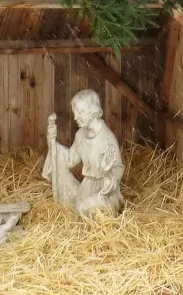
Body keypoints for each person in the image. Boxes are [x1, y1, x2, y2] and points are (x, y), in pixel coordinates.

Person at [42, 89, 124, 217]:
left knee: (82, 208)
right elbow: (69, 160)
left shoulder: (107, 138)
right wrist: (52, 142)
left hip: (105, 192)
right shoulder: (80, 135)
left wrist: (108, 171)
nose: (75, 117)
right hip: (87, 187)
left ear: (92, 111)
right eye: (75, 113)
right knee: (73, 209)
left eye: (80, 112)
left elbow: (117, 170)